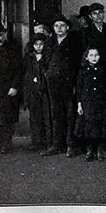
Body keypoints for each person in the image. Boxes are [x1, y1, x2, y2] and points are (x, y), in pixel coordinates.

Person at [44, 15, 83, 157]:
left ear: (67, 27)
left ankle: (71, 145)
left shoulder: (74, 43)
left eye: (62, 25)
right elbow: (45, 61)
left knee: (70, 114)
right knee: (56, 113)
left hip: (69, 82)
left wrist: (75, 84)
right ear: (53, 28)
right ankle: (56, 145)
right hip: (53, 83)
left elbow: (79, 64)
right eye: (56, 26)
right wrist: (47, 74)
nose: (59, 28)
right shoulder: (49, 42)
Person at [0, 20, 21, 154]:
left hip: (8, 89)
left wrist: (14, 87)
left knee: (7, 117)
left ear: (4, 35)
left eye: (0, 35)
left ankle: (6, 143)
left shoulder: (12, 50)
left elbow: (18, 71)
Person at [76, 47, 106, 162]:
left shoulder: (103, 70)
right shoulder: (82, 70)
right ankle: (90, 150)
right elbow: (79, 88)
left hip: (100, 102)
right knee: (88, 125)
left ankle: (99, 149)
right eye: (91, 55)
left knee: (100, 124)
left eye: (96, 55)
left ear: (99, 57)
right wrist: (79, 104)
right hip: (87, 102)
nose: (94, 58)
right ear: (86, 57)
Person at [21, 33, 51, 152]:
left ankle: (47, 142)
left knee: (47, 116)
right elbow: (24, 74)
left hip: (45, 90)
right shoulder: (28, 58)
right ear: (32, 45)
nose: (39, 47)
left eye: (41, 44)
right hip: (32, 91)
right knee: (34, 117)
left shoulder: (48, 57)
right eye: (36, 44)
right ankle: (36, 142)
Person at [81, 3, 106, 69]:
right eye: (94, 13)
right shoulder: (85, 32)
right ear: (90, 16)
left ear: (103, 13)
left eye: (100, 12)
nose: (98, 15)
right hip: (94, 67)